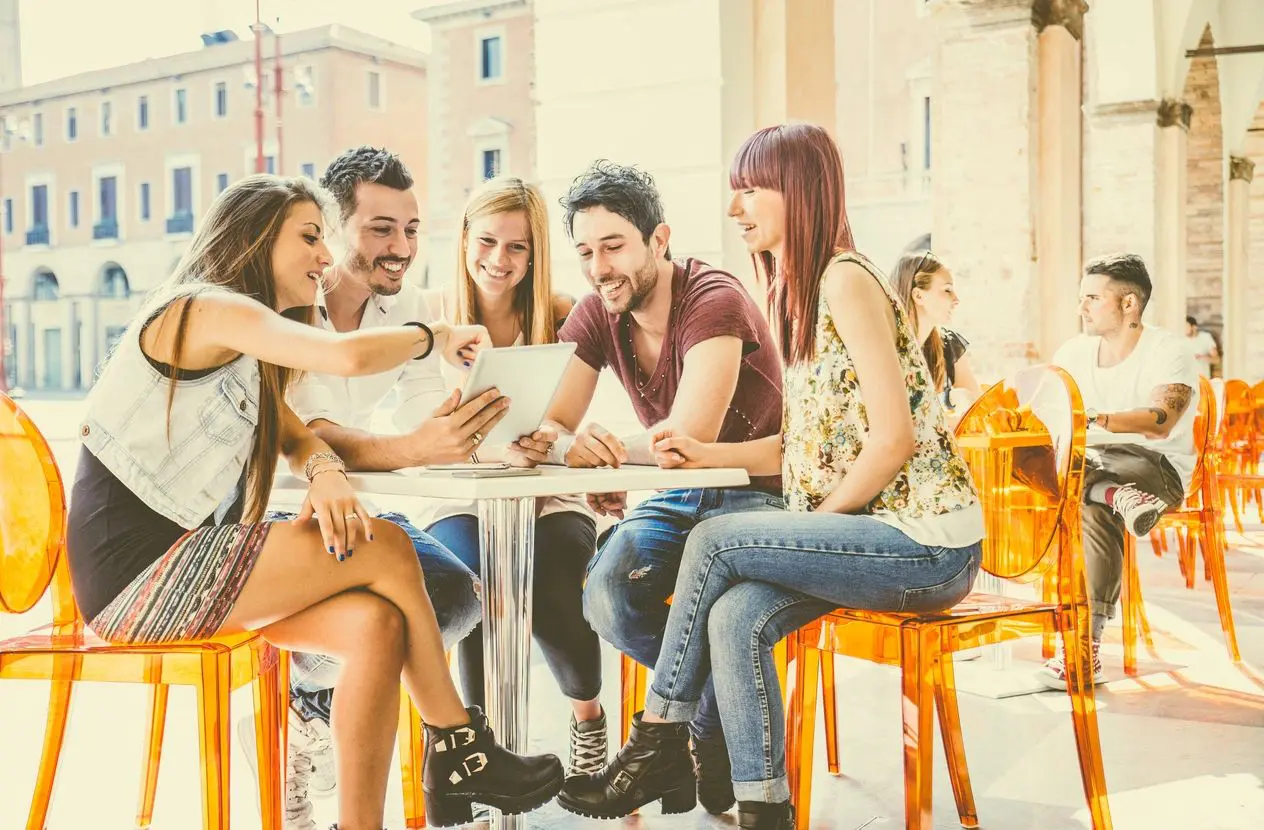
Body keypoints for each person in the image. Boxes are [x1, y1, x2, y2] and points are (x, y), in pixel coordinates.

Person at [65, 173, 564, 830]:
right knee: (384, 545)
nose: (325, 258)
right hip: (140, 575)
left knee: (377, 626)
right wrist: (434, 335)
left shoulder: (241, 345)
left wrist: (324, 469)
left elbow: (295, 434)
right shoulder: (204, 309)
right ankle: (460, 748)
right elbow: (345, 357)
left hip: (187, 560)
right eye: (309, 237)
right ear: (254, 237)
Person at [557, 123, 984, 830]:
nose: (736, 209)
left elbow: (894, 440)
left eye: (750, 189)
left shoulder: (845, 278)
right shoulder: (804, 289)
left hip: (928, 545)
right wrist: (705, 457)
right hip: (876, 537)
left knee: (717, 539)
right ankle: (763, 809)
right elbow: (802, 450)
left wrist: (810, 528)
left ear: (800, 190)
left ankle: (655, 740)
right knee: (732, 616)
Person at [511, 159, 786, 815]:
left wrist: (601, 454)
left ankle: (680, 747)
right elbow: (555, 424)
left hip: (754, 487)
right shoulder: (597, 311)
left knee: (720, 614)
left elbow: (689, 437)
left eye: (613, 246)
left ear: (657, 240)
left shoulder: (712, 298)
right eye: (585, 251)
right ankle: (702, 731)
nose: (599, 267)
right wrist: (566, 444)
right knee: (605, 592)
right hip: (676, 494)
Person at [249, 146, 495, 829]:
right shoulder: (293, 306)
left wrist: (478, 422)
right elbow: (317, 430)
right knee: (388, 612)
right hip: (277, 517)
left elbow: (423, 408)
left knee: (454, 597)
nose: (401, 248)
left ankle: (312, 704)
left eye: (412, 229)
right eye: (381, 229)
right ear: (331, 231)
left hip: (351, 509)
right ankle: (314, 711)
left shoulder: (410, 307)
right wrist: (416, 446)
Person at [416, 175, 607, 777]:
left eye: (518, 247)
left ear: (536, 251)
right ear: (464, 238)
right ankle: (481, 751)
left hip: (547, 496)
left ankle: (588, 716)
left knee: (551, 585)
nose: (500, 260)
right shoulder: (428, 317)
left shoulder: (564, 315)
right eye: (488, 241)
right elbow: (415, 427)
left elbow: (568, 421)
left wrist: (552, 439)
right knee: (470, 582)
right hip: (460, 498)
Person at [1040, 254, 1197, 688]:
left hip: (1154, 470)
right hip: (1088, 469)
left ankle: (1082, 646)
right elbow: (1044, 411)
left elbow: (1161, 420)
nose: (1082, 308)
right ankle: (1111, 494)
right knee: (1056, 480)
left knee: (1082, 491)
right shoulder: (1073, 351)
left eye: (1092, 298)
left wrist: (1096, 419)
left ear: (1129, 304)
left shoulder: (1168, 350)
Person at [891, 249, 981, 410]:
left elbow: (980, 409)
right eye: (947, 290)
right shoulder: (887, 350)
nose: (956, 299)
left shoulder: (949, 346)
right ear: (918, 296)